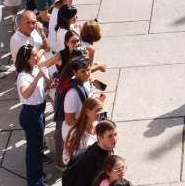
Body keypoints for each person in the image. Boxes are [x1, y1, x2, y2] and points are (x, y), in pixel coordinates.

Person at [16, 46, 53, 186]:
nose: (37, 57)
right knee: (34, 151)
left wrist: (49, 83)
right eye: (34, 55)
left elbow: (43, 86)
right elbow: (25, 94)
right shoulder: (23, 76)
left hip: (39, 110)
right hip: (31, 114)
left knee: (38, 149)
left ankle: (38, 176)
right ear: (26, 59)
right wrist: (37, 78)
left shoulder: (36, 68)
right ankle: (35, 183)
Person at [62, 119, 118, 186]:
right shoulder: (93, 161)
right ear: (99, 138)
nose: (114, 139)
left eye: (115, 134)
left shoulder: (108, 148)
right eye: (110, 136)